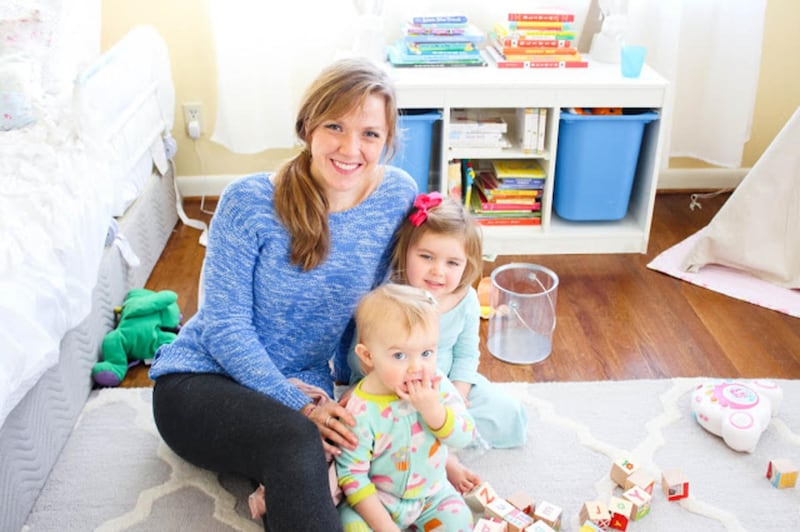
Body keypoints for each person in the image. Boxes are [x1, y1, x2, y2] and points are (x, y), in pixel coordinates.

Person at [148, 57, 418, 532]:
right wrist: (300, 405)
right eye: (335, 125)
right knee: (299, 440)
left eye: (370, 134)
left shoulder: (396, 195)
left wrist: (366, 399)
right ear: (308, 126)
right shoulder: (247, 201)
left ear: (387, 142)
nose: (351, 147)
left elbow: (374, 314)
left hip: (303, 387)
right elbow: (223, 326)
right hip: (201, 382)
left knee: (348, 447)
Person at [351, 191, 529, 493]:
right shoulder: (390, 297)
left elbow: (466, 355)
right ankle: (443, 460)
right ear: (406, 251)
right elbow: (362, 357)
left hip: (443, 386)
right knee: (387, 427)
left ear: (466, 264)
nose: (438, 271)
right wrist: (393, 388)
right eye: (426, 257)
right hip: (392, 387)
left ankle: (436, 440)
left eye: (452, 263)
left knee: (508, 412)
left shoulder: (466, 299)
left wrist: (455, 397)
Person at [337, 283, 476, 532]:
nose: (416, 368)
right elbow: (352, 477)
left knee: (461, 521)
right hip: (380, 499)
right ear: (368, 356)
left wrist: (434, 410)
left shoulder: (437, 386)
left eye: (426, 353)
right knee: (349, 526)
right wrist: (385, 527)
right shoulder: (360, 410)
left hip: (431, 496)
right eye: (399, 356)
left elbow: (464, 436)